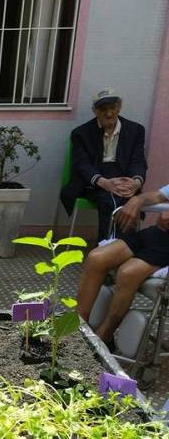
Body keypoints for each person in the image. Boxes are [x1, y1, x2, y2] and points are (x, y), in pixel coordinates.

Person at [76, 185, 169, 345]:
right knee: (96, 258)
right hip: (157, 234)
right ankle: (78, 327)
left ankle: (103, 337)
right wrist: (138, 199)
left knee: (128, 273)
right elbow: (157, 196)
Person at [60, 88, 147, 244]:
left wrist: (135, 182)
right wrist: (105, 183)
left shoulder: (136, 130)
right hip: (94, 182)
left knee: (124, 196)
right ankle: (114, 247)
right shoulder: (81, 133)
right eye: (103, 109)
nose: (109, 114)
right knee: (111, 200)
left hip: (124, 179)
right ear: (95, 111)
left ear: (119, 107)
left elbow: (138, 161)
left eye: (112, 108)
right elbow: (82, 165)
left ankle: (112, 247)